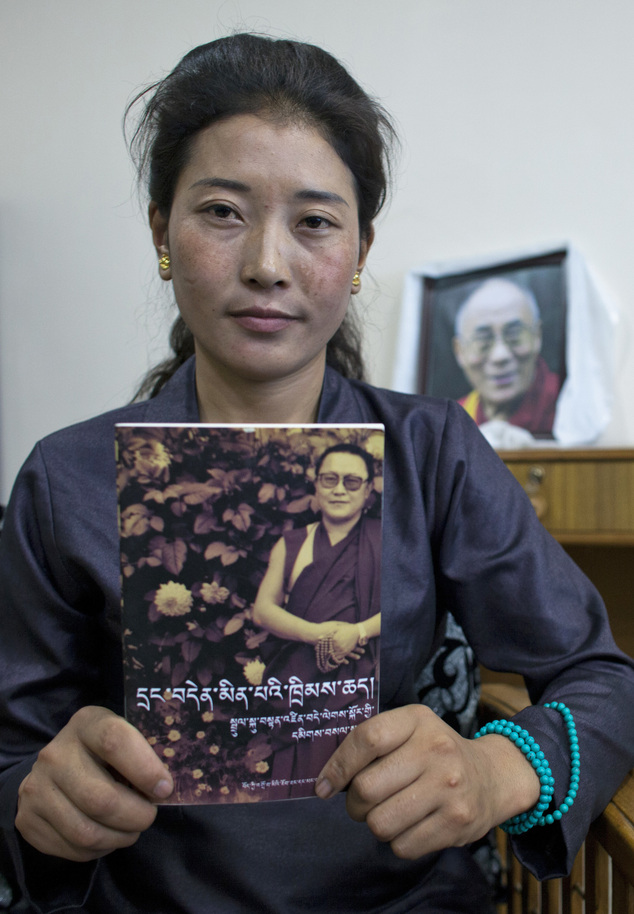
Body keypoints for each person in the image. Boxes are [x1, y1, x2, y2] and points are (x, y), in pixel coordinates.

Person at [0, 33, 632, 914]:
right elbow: (12, 754)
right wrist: (36, 798)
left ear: (360, 248)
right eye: (222, 211)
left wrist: (499, 769)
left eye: (315, 221)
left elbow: (604, 680)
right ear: (161, 231)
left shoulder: (434, 450)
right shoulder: (64, 480)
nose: (266, 263)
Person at [253, 443, 381, 797]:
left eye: (352, 481)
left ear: (369, 490)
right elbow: (263, 609)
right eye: (330, 479)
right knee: (290, 783)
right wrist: (317, 634)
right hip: (299, 681)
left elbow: (405, 606)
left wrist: (357, 632)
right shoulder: (292, 542)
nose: (339, 489)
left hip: (362, 681)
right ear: (316, 485)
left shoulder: (384, 539)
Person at [452, 277, 562, 435]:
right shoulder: (455, 420)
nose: (500, 356)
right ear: (460, 351)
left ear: (537, 336)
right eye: (483, 341)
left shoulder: (567, 404)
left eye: (515, 336)